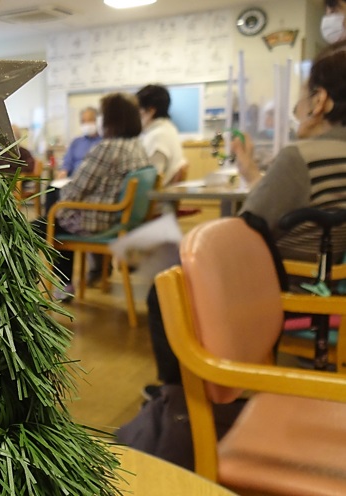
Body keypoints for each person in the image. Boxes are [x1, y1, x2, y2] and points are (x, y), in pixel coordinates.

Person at [143, 40, 346, 398]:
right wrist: (249, 167)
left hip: (283, 283)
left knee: (164, 289)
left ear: (320, 101)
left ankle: (178, 397)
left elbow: (248, 224)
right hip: (328, 278)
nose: (297, 110)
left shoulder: (300, 156)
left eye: (302, 98)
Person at [39, 93, 149, 300]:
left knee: (33, 228)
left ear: (111, 119)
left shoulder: (108, 148)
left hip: (97, 220)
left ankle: (45, 287)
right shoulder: (138, 146)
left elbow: (74, 190)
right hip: (120, 219)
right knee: (57, 217)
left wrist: (65, 194)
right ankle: (65, 284)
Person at [136, 84, 185, 187]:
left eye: (138, 110)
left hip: (154, 195)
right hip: (163, 193)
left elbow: (150, 181)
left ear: (151, 111)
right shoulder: (169, 129)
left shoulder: (157, 136)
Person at [57, 107, 101, 179]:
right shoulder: (76, 142)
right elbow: (67, 162)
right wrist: (63, 171)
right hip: (74, 180)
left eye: (90, 120)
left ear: (97, 121)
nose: (86, 124)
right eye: (83, 121)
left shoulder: (104, 143)